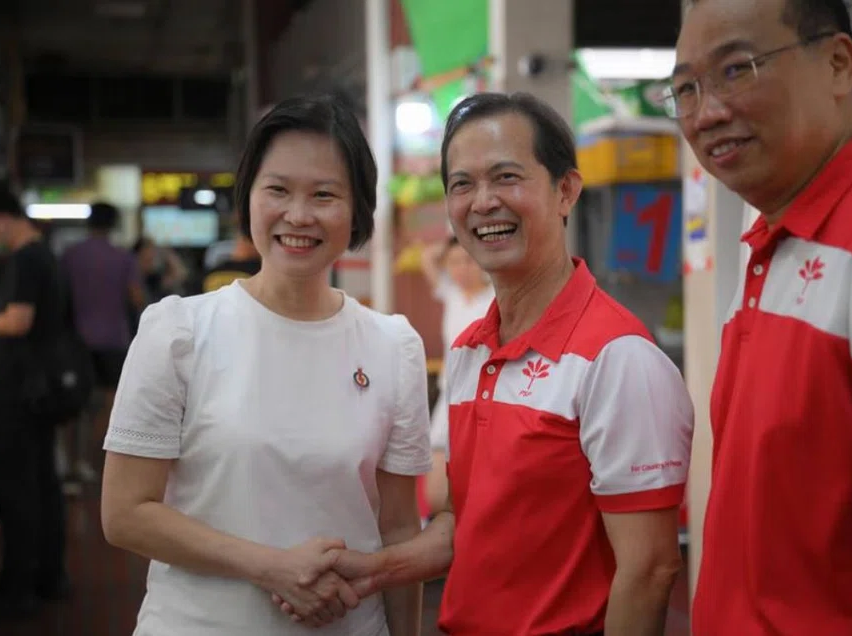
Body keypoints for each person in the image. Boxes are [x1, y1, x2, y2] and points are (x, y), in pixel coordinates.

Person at [279, 92, 695, 635]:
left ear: (566, 190)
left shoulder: (619, 358)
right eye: (462, 184)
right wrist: (370, 570)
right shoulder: (471, 351)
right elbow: (464, 523)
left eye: (506, 177)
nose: (483, 202)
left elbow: (649, 571)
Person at [100, 93, 432, 636]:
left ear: (357, 210)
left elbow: (397, 530)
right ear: (249, 196)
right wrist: (272, 567)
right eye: (278, 189)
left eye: (324, 194)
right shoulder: (179, 331)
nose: (298, 215)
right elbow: (125, 513)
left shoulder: (394, 346)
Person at [668, 0, 852, 633]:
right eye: (686, 90)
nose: (706, 113)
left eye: (737, 69)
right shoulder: (769, 241)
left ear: (838, 64)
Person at [0, 183, 70, 620]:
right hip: (38, 391)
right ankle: (48, 577)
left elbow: (16, 322)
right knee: (42, 484)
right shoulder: (44, 254)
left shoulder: (26, 259)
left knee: (17, 490)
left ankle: (17, 589)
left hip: (19, 393)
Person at [62, 201, 145, 480]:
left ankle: (72, 463)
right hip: (113, 339)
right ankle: (96, 462)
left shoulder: (70, 255)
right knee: (110, 405)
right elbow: (136, 297)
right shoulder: (122, 257)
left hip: (75, 342)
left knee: (74, 406)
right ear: (113, 225)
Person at [418, 236, 493, 514]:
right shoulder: (451, 294)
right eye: (454, 262)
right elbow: (427, 257)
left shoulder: (496, 298)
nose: (462, 268)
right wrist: (457, 241)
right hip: (450, 395)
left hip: (486, 397)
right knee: (436, 486)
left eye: (469, 260)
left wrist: (474, 244)